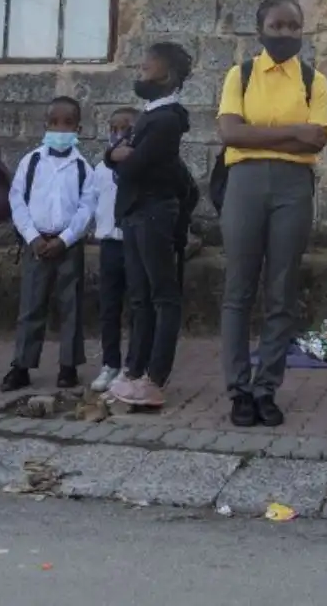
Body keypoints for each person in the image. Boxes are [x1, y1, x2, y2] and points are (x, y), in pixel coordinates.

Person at [216, 0, 327, 429]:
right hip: (245, 185)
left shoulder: (312, 79)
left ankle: (266, 388)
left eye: (293, 27)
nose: (285, 34)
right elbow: (230, 133)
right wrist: (292, 133)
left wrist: (260, 135)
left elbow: (317, 139)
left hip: (293, 187)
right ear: (260, 29)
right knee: (238, 289)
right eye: (277, 26)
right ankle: (238, 390)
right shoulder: (241, 74)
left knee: (282, 290)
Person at [106, 42, 197, 412]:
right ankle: (133, 369)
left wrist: (119, 156)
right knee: (140, 298)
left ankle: (155, 378)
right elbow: (117, 153)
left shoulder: (166, 119)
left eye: (147, 68)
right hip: (135, 214)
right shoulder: (149, 114)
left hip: (153, 214)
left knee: (163, 296)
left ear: (168, 76)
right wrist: (114, 153)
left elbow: (132, 164)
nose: (140, 73)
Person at [2, 97, 98, 392]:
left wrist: (66, 238)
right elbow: (17, 199)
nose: (60, 129)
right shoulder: (31, 162)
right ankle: (22, 365)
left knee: (71, 305)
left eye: (67, 123)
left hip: (68, 245)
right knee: (31, 305)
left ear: (78, 128)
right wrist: (32, 235)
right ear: (46, 125)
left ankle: (68, 367)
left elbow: (86, 208)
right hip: (37, 243)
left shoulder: (83, 168)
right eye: (54, 122)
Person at [89, 107, 136, 393]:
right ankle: (110, 363)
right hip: (109, 244)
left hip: (135, 243)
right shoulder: (100, 169)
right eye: (114, 128)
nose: (118, 134)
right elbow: (93, 203)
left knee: (137, 307)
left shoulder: (140, 165)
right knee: (109, 307)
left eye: (125, 129)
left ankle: (133, 365)